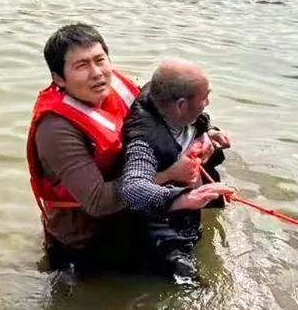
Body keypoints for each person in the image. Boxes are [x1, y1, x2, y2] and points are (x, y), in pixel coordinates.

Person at [26, 23, 198, 274]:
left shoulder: (117, 85)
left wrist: (204, 134)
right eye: (81, 65)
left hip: (131, 210)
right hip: (87, 235)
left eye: (100, 60)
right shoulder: (56, 129)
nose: (96, 73)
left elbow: (161, 120)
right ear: (59, 78)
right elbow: (97, 201)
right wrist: (170, 174)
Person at [119, 58, 233, 283]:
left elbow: (193, 122)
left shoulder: (168, 102)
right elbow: (131, 188)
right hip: (161, 228)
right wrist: (183, 198)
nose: (207, 102)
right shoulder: (144, 141)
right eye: (204, 98)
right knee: (192, 283)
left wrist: (208, 133)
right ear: (181, 105)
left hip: (189, 201)